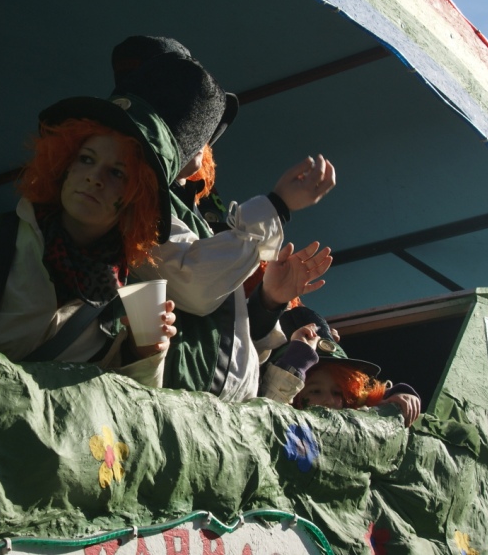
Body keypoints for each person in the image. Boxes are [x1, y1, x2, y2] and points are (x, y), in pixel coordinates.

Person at [110, 37, 336, 401]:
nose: (206, 143)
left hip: (214, 411)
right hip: (176, 404)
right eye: (196, 125)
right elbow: (194, 286)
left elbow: (225, 333)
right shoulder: (133, 197)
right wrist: (277, 205)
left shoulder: (189, 211)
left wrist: (268, 301)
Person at [0, 84, 196, 387]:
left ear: (136, 199)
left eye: (117, 173)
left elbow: (122, 403)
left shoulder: (123, 305)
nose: (94, 177)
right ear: (64, 165)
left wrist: (143, 353)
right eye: (86, 159)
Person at [261, 307, 422, 427]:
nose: (329, 400)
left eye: (338, 392)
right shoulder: (272, 418)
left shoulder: (351, 418)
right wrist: (295, 362)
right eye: (315, 391)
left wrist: (399, 397)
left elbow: (367, 398)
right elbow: (272, 404)